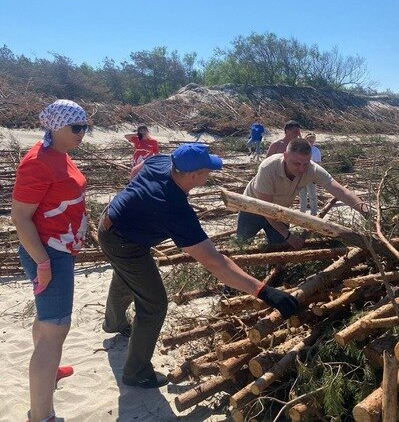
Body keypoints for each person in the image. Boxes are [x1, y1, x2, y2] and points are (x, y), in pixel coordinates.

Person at [98, 143, 299, 389]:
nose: (210, 174)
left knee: (127, 277)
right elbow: (215, 263)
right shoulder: (174, 209)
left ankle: (113, 323)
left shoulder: (163, 162)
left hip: (111, 223)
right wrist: (264, 291)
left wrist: (137, 201)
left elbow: (136, 171)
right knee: (154, 304)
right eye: (207, 170)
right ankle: (136, 372)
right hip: (124, 243)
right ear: (193, 175)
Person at [11, 99, 89, 422]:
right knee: (57, 328)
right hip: (49, 254)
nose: (82, 133)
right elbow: (20, 217)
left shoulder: (59, 154)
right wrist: (43, 263)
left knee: (48, 325)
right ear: (57, 127)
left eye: (85, 127)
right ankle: (41, 415)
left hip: (59, 251)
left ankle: (50, 372)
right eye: (77, 127)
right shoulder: (37, 162)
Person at [237, 138, 369, 251]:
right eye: (297, 163)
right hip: (252, 209)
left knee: (280, 250)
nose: (301, 169)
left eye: (305, 164)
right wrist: (289, 236)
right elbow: (266, 208)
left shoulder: (311, 169)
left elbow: (341, 191)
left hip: (279, 211)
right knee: (241, 247)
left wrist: (366, 212)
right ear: (285, 156)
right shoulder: (268, 168)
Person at [299, 132, 322, 216]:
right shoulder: (301, 149)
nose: (311, 142)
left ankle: (314, 212)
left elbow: (318, 164)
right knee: (302, 194)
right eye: (309, 140)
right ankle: (302, 212)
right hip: (301, 175)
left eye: (313, 141)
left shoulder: (316, 150)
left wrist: (317, 176)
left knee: (312, 195)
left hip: (311, 175)